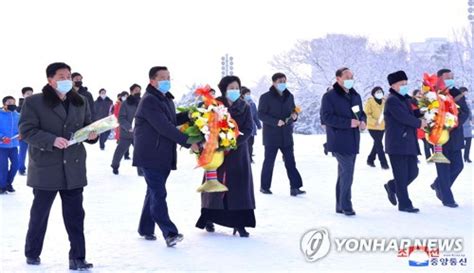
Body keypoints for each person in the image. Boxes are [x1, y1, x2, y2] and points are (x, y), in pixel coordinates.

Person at [19, 62, 98, 270]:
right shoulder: (34, 102)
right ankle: (32, 252)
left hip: (73, 167)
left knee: (75, 216)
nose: (67, 80)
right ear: (50, 80)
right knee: (40, 214)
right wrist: (51, 140)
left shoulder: (80, 100)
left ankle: (77, 258)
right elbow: (27, 131)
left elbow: (86, 127)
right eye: (61, 76)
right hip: (46, 168)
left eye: (69, 76)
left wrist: (91, 135)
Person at [133, 66, 198, 247]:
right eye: (162, 77)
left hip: (162, 154)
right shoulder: (149, 101)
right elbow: (164, 127)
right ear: (152, 81)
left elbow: (171, 120)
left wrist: (190, 115)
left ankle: (145, 228)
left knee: (153, 192)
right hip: (150, 155)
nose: (167, 80)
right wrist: (187, 141)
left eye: (168, 77)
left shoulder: (165, 99)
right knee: (158, 193)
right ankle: (170, 233)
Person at [196, 76, 256, 237]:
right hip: (217, 152)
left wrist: (234, 141)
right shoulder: (215, 105)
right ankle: (209, 218)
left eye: (237, 87)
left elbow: (249, 128)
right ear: (224, 89)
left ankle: (240, 223)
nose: (235, 90)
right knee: (214, 185)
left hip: (238, 152)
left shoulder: (245, 107)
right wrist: (216, 139)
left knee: (239, 188)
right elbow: (205, 124)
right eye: (231, 88)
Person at [320, 67, 366, 216]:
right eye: (347, 77)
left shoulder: (355, 95)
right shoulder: (329, 96)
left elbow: (360, 113)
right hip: (338, 139)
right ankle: (346, 205)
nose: (350, 79)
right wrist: (348, 123)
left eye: (352, 76)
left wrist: (363, 121)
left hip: (353, 139)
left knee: (344, 173)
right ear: (338, 78)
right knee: (347, 172)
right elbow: (326, 117)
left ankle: (340, 205)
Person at [383, 70, 426, 213]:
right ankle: (404, 204)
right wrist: (419, 123)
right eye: (402, 84)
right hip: (397, 143)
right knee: (401, 175)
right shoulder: (392, 100)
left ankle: (392, 186)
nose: (405, 86)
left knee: (413, 172)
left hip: (409, 141)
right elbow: (403, 118)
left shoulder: (405, 99)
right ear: (393, 85)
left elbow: (411, 114)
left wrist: (423, 112)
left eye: (406, 83)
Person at [258, 73, 305, 196]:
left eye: (284, 81)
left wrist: (295, 116)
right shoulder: (265, 97)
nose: (283, 83)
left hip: (286, 135)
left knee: (290, 161)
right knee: (269, 162)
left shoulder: (289, 96)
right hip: (271, 136)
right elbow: (261, 114)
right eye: (280, 81)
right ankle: (264, 186)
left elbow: (293, 110)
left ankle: (295, 187)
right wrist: (275, 121)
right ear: (273, 82)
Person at [430, 69, 470, 207]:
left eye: (452, 77)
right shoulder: (431, 93)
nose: (451, 79)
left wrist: (453, 121)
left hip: (455, 135)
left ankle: (438, 185)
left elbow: (466, 111)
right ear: (439, 78)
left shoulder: (456, 93)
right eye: (448, 77)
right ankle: (446, 197)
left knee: (458, 165)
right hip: (439, 137)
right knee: (443, 167)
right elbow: (427, 113)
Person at [111, 85, 142, 175]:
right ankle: (115, 166)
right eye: (136, 90)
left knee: (139, 151)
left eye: (139, 90)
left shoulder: (142, 102)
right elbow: (121, 118)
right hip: (127, 132)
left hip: (139, 133)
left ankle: (141, 171)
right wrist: (128, 127)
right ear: (131, 91)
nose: (138, 92)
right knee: (120, 150)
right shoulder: (126, 103)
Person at [364, 86, 389, 169]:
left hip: (382, 127)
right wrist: (375, 122)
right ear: (373, 94)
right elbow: (367, 114)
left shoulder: (385, 101)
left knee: (377, 144)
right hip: (372, 127)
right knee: (379, 144)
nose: (379, 93)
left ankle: (370, 159)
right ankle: (384, 164)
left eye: (380, 92)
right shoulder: (370, 102)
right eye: (377, 92)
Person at [0, 96, 20, 194]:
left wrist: (21, 134)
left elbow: (21, 128)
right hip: (2, 146)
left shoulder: (17, 115)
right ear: (4, 104)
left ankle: (8, 183)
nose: (12, 104)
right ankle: (2, 186)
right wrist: (2, 137)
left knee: (16, 165)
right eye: (9, 102)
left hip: (13, 145)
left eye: (13, 102)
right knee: (3, 167)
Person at [241, 86, 261, 163]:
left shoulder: (252, 104)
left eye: (249, 93)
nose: (248, 95)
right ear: (242, 95)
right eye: (247, 94)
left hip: (252, 128)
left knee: (250, 143)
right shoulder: (240, 103)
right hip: (243, 127)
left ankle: (250, 158)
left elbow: (255, 115)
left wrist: (258, 125)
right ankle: (244, 158)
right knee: (244, 143)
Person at [17, 87, 34, 176]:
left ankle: (33, 169)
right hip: (22, 134)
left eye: (31, 93)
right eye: (28, 93)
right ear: (23, 95)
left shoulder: (35, 106)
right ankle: (21, 169)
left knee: (33, 153)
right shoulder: (19, 108)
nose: (30, 95)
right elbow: (17, 122)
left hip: (33, 134)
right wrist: (19, 132)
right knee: (22, 152)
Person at [412, 89, 432, 160]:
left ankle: (429, 157)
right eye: (417, 94)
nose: (419, 95)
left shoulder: (424, 103)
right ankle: (415, 158)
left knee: (427, 141)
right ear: (414, 96)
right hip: (416, 126)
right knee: (414, 143)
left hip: (425, 125)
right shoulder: (411, 104)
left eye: (420, 94)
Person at [112, 91, 130, 160]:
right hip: (120, 124)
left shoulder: (129, 104)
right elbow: (115, 113)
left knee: (128, 139)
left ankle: (126, 155)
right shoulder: (118, 104)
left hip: (128, 123)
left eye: (127, 96)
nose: (125, 97)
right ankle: (119, 156)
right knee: (123, 141)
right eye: (124, 96)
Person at [460, 87, 472, 163]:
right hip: (460, 124)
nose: (466, 94)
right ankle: (459, 158)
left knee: (468, 141)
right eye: (465, 92)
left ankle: (466, 157)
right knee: (458, 144)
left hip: (467, 124)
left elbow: (469, 111)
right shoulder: (456, 100)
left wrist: (471, 118)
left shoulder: (466, 101)